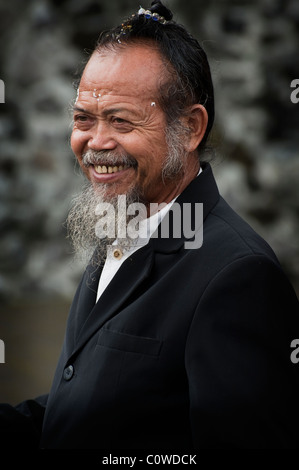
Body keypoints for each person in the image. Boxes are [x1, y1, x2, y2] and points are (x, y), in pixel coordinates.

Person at [1, 0, 299, 450]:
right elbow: (95, 405)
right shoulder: (126, 224)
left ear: (191, 127)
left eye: (121, 120)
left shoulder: (237, 277)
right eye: (83, 119)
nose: (95, 143)